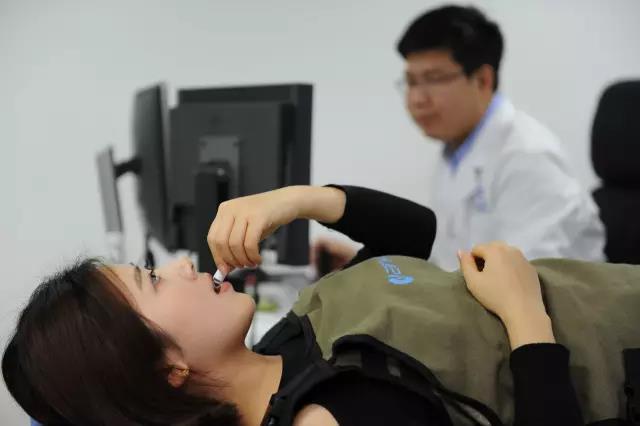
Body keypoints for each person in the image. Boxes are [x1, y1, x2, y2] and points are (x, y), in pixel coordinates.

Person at [3, 185, 584, 425]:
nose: (181, 265)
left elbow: (411, 235)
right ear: (168, 369)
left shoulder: (283, 347)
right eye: (152, 280)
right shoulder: (319, 420)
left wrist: (296, 201)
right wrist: (525, 317)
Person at [315, 5, 605, 272]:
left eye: (434, 79)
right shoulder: (456, 151)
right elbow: (446, 262)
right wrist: (373, 266)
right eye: (411, 81)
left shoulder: (529, 157)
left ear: (482, 80)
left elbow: (524, 281)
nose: (416, 98)